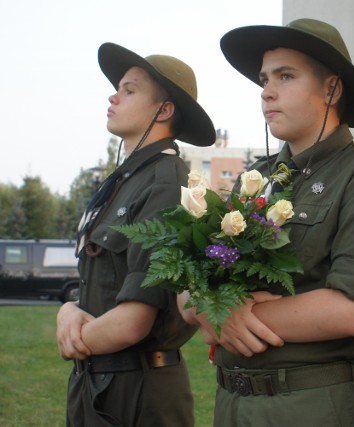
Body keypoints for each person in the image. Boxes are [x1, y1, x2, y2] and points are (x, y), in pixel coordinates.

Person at [181, 18, 354, 426]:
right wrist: (210, 308)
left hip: (311, 405)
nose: (266, 91)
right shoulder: (254, 181)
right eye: (265, 79)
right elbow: (189, 290)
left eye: (286, 76)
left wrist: (227, 314)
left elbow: (349, 309)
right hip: (232, 403)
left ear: (331, 89)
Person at [56, 42, 216, 426]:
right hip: (97, 381)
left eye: (129, 90)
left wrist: (75, 340)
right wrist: (68, 309)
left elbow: (134, 321)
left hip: (137, 391)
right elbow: (102, 280)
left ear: (164, 109)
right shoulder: (126, 180)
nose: (113, 95)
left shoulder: (165, 183)